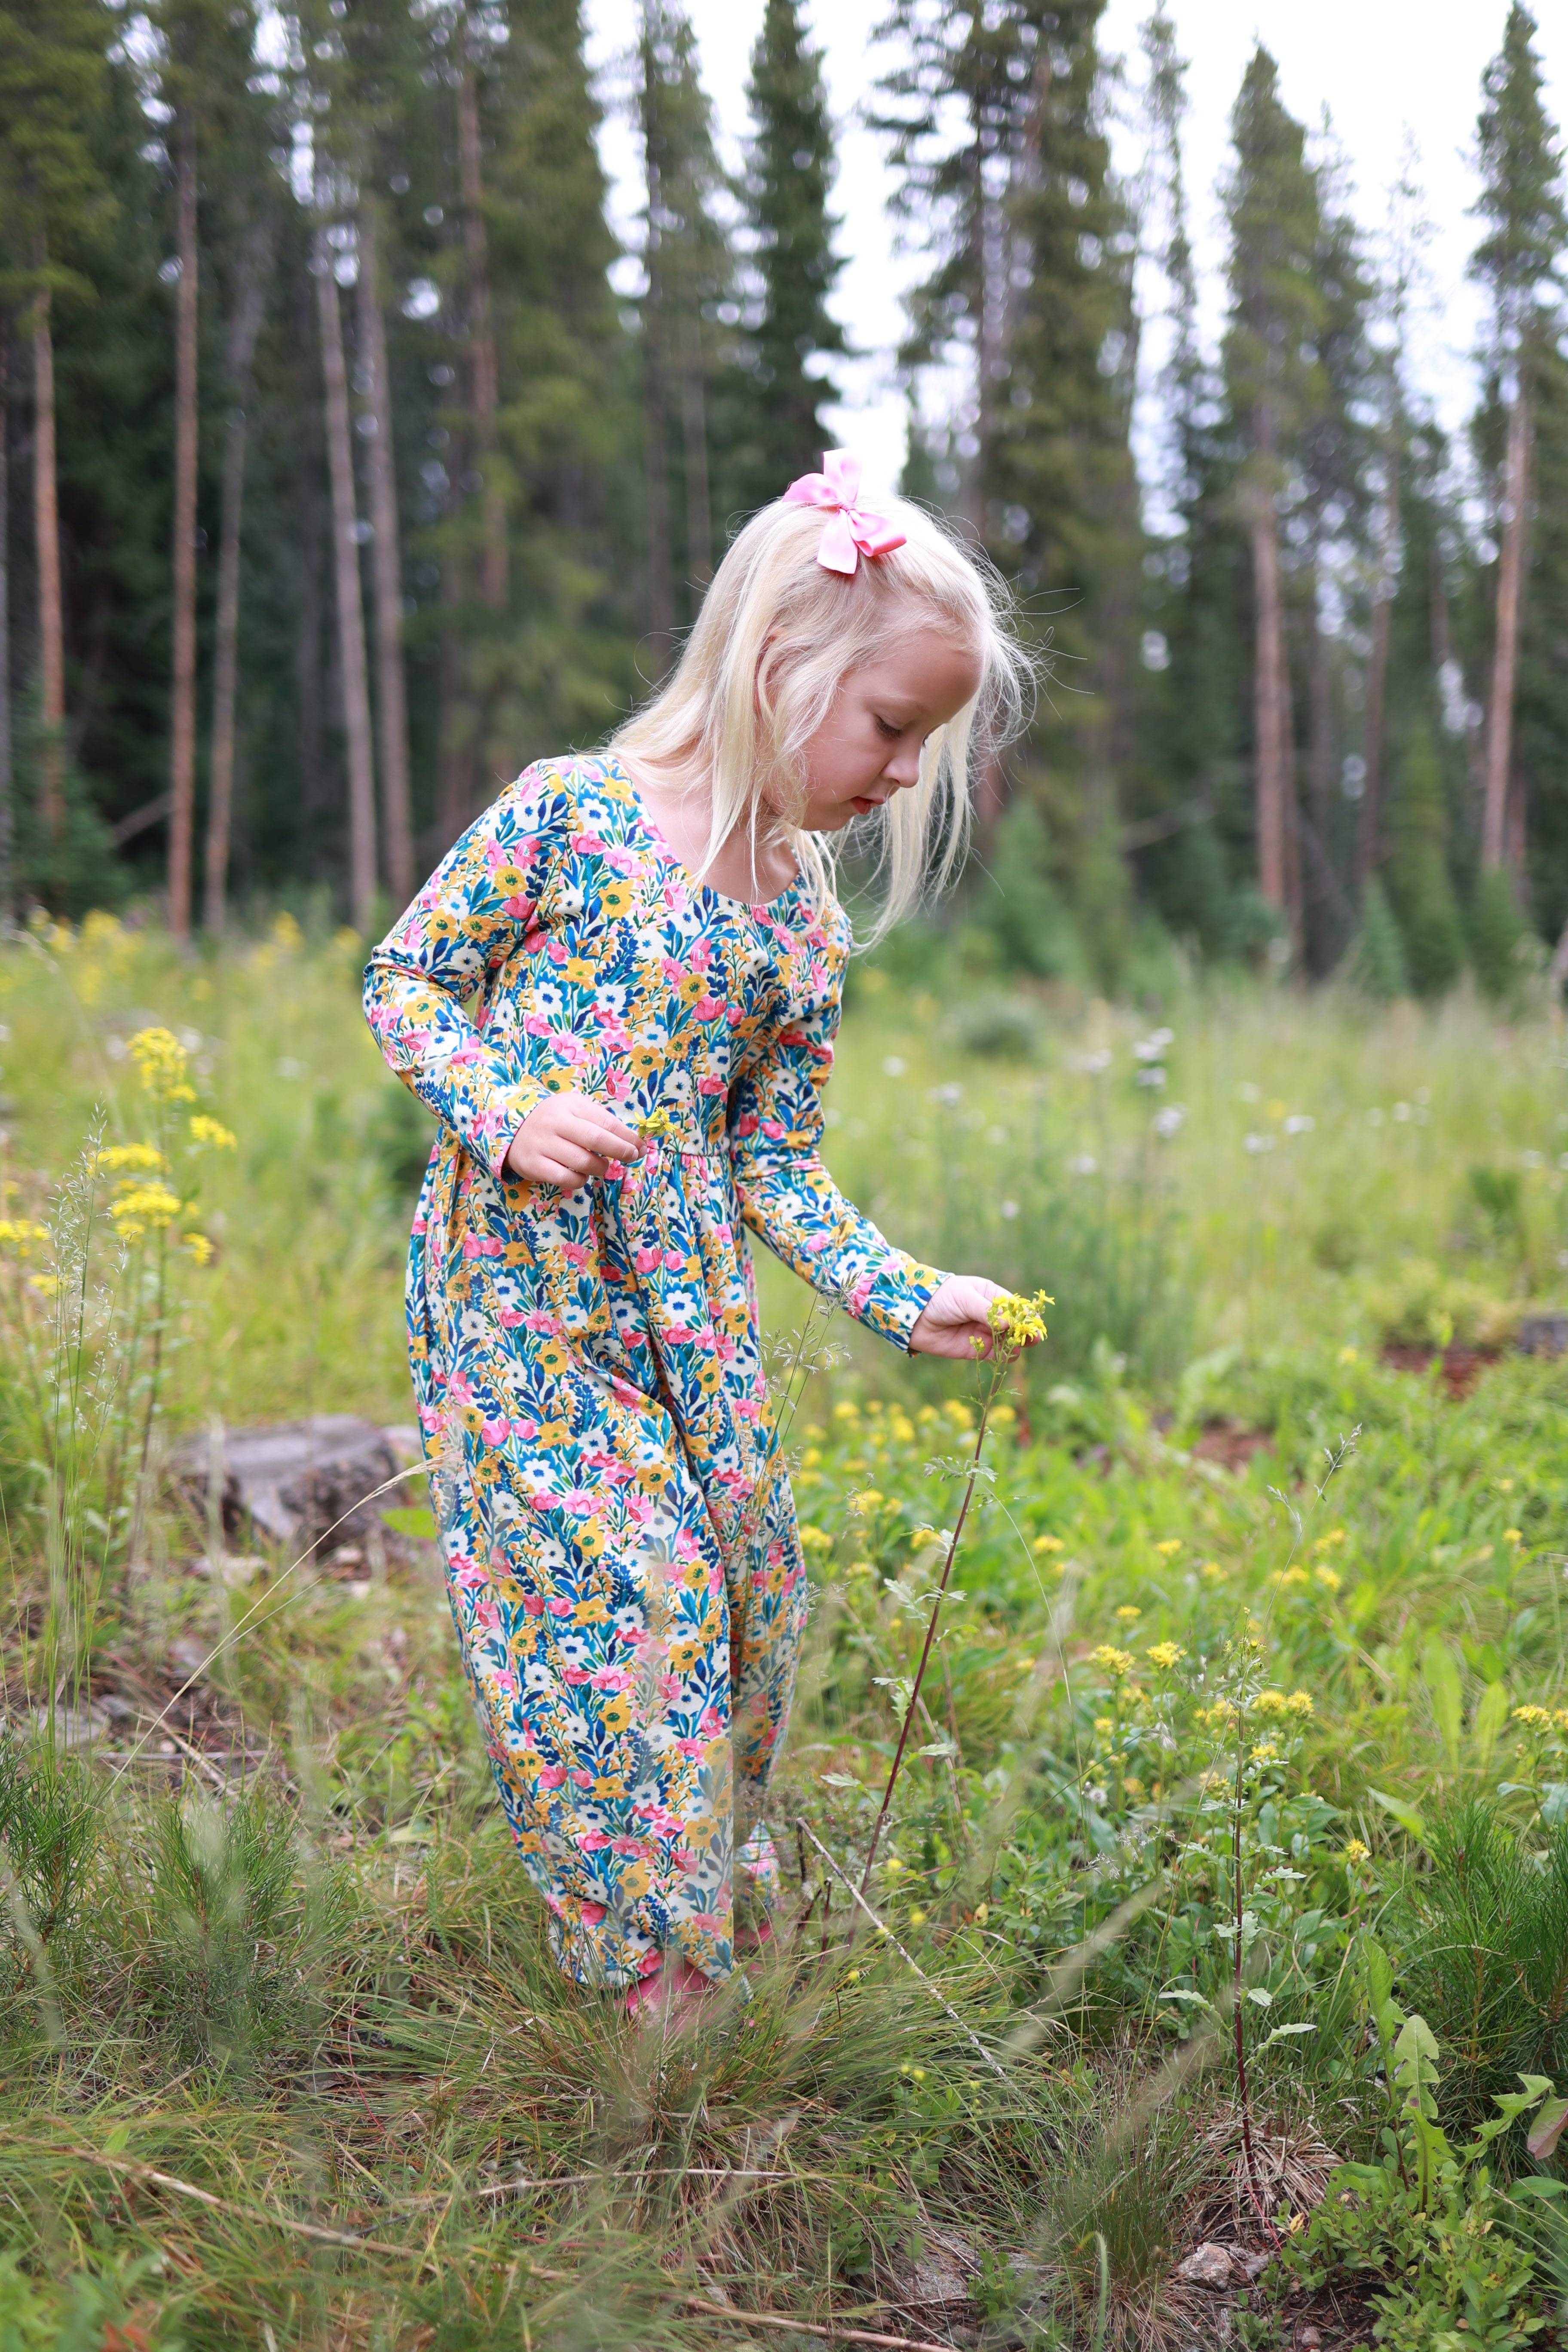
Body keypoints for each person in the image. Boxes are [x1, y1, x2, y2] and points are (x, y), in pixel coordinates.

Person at [363, 452, 1036, 2020]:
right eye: (889, 728)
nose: (898, 777)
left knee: (748, 1595)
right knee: (628, 1606)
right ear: (777, 664)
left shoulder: (798, 919)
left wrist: (902, 1290)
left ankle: (705, 1888)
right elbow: (407, 983)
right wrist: (502, 1101)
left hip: (689, 1316)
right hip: (518, 1301)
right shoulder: (568, 815)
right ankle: (652, 1976)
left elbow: (772, 1165)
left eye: (922, 746)